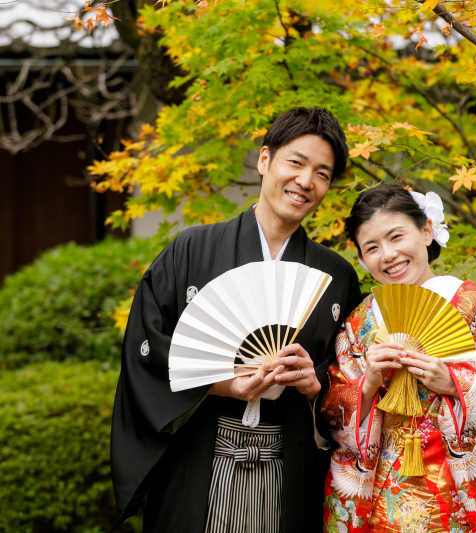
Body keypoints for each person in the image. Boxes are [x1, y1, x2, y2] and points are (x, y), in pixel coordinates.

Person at [111, 107, 363, 533]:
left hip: (291, 463)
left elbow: (350, 373)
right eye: (296, 162)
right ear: (265, 160)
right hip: (199, 455)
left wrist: (314, 382)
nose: (306, 181)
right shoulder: (191, 249)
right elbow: (147, 347)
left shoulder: (336, 276)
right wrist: (218, 382)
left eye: (322, 173)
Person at [321, 183, 476, 533]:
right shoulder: (360, 323)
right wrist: (368, 384)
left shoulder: (473, 308)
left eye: (396, 237)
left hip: (458, 498)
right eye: (372, 247)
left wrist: (457, 383)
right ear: (362, 260)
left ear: (426, 231)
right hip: (382, 499)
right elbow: (331, 413)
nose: (388, 254)